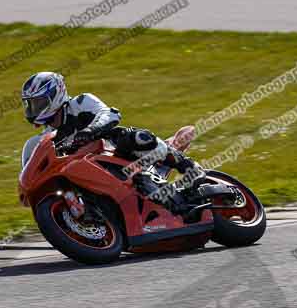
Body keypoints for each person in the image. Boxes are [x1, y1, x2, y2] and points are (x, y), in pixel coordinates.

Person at [21, 71, 205, 211]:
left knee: (135, 137)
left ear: (55, 95)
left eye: (38, 103)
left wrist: (89, 131)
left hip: (114, 156)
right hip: (85, 174)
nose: (34, 109)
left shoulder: (81, 102)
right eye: (31, 105)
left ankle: (190, 169)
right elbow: (31, 173)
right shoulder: (40, 140)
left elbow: (109, 115)